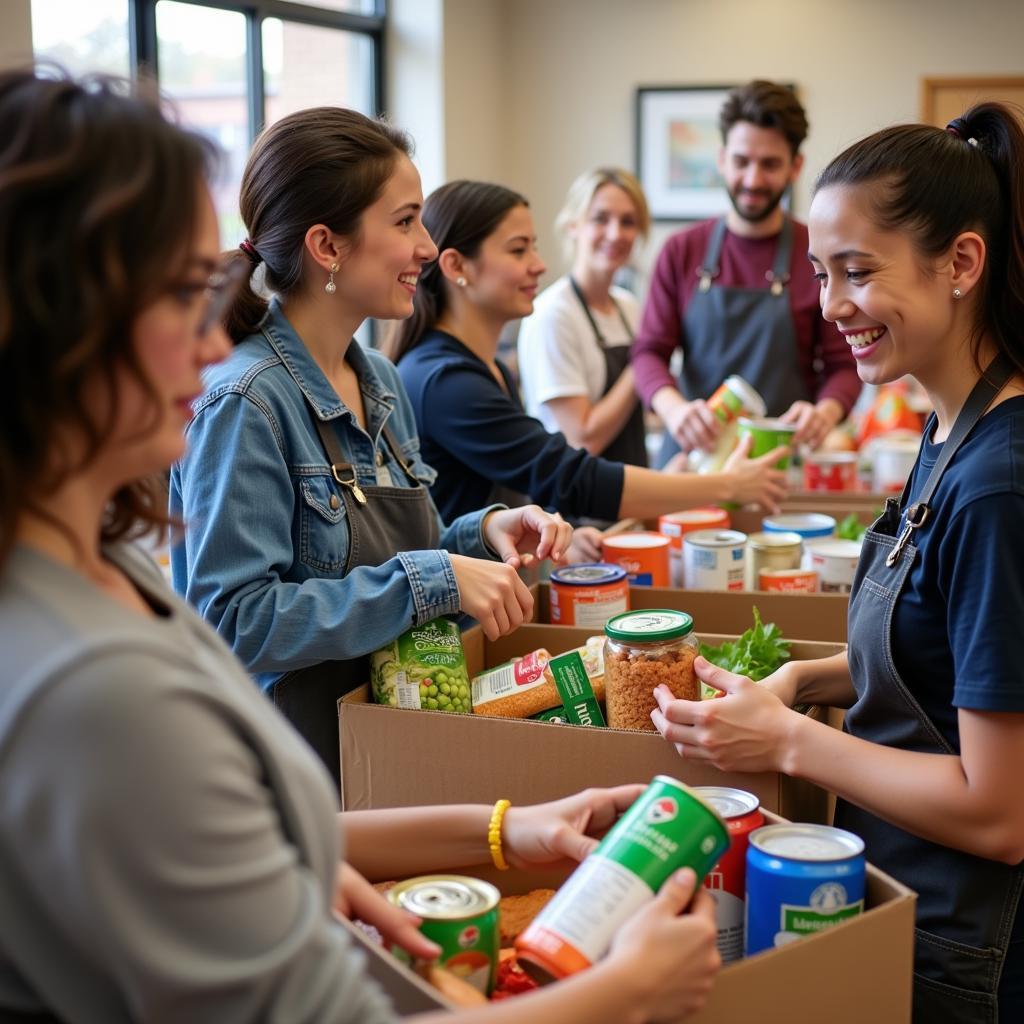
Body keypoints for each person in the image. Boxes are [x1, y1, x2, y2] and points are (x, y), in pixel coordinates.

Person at [0, 67, 723, 1024]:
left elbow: (261, 826)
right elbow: (246, 621)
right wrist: (627, 991)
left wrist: (504, 826)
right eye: (180, 294)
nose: (212, 342)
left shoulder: (364, 386)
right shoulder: (102, 675)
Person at [651, 103, 1024, 1022]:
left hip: (968, 948)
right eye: (821, 274)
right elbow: (945, 655)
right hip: (908, 905)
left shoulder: (998, 488)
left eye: (858, 273)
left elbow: (998, 812)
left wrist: (788, 742)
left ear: (962, 264)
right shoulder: (945, 430)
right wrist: (802, 678)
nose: (830, 307)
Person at [170, 108, 572, 776]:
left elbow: (408, 557)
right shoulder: (245, 402)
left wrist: (485, 534)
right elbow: (234, 621)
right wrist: (436, 580)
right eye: (405, 221)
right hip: (288, 771)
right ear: (328, 247)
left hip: (382, 742)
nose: (425, 247)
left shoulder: (377, 376)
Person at [390, 179, 788, 559]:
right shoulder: (446, 382)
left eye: (534, 248)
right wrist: (724, 484)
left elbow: (513, 490)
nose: (539, 265)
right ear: (457, 265)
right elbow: (568, 474)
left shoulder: (490, 369)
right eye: (518, 251)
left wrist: (560, 538)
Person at [632, 80, 861, 466]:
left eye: (769, 164)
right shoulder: (680, 250)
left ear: (795, 166)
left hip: (779, 467)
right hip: (691, 465)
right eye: (742, 161)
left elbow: (845, 364)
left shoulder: (817, 252)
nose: (753, 180)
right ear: (722, 159)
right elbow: (648, 353)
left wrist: (824, 413)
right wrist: (674, 411)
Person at [518, 168, 650, 468]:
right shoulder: (553, 315)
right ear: (573, 225)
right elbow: (582, 439)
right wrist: (644, 361)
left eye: (628, 222)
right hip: (573, 507)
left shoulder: (629, 307)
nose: (616, 233)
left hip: (629, 494)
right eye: (600, 218)